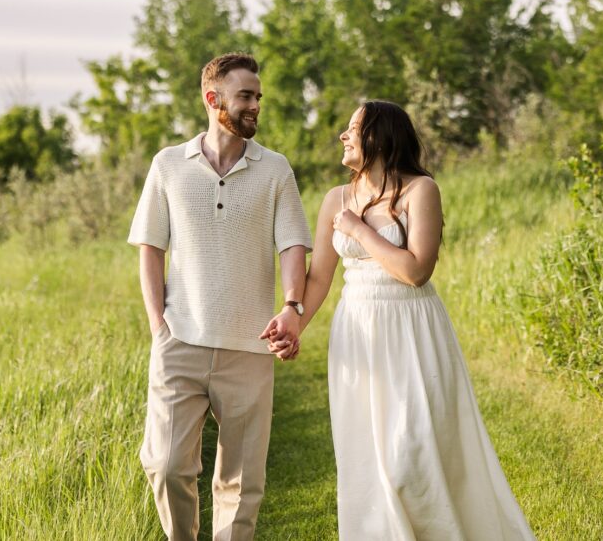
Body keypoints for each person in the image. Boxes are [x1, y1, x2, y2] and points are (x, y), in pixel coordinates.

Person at [262, 100, 536, 540]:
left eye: (352, 127)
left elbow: (415, 271)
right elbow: (320, 278)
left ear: (379, 136)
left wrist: (359, 230)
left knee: (412, 456)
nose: (343, 136)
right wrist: (292, 317)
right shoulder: (336, 198)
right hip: (358, 332)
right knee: (368, 458)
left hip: (412, 328)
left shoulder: (420, 190)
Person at [128, 52, 312, 541]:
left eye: (258, 97)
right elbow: (150, 248)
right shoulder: (168, 165)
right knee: (166, 465)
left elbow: (294, 244)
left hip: (250, 345)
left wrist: (292, 305)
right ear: (214, 100)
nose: (255, 105)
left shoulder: (276, 170)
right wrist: (157, 326)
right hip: (179, 340)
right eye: (245, 96)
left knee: (242, 482)